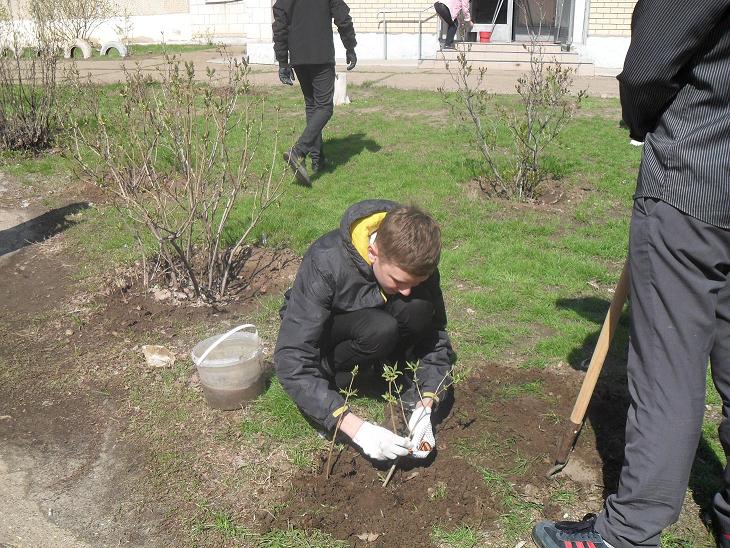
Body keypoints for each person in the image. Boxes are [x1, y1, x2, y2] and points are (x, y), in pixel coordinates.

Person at [532, 0, 730, 546]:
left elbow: (649, 65)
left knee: (668, 365)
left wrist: (642, 123)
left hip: (700, 178)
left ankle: (630, 531)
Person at [274, 200, 455, 462]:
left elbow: (435, 337)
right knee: (379, 328)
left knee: (417, 308)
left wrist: (427, 401)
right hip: (330, 334)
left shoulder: (416, 261)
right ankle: (332, 372)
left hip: (375, 326)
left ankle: (383, 370)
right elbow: (291, 358)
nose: (406, 290)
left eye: (415, 283)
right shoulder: (326, 261)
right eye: (398, 281)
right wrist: (356, 428)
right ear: (373, 252)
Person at [272, 0, 357, 187]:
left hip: (299, 57)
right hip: (321, 56)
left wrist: (282, 62)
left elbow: (279, 25)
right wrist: (350, 47)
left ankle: (318, 161)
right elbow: (343, 19)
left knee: (312, 107)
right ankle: (299, 151)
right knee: (325, 108)